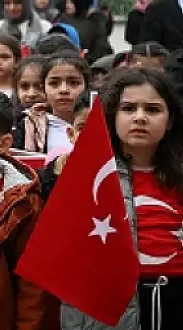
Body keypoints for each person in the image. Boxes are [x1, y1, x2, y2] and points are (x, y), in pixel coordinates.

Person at [65, 68, 183, 328]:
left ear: (170, 119)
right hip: (114, 309)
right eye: (128, 109)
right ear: (112, 116)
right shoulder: (88, 177)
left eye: (152, 110)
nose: (140, 118)